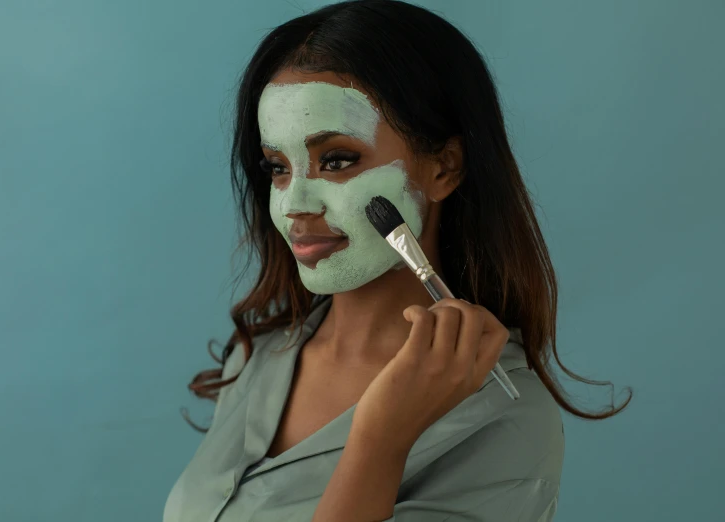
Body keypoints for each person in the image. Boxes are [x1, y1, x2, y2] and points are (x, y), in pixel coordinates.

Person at [164, 1, 631, 520]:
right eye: (277, 167)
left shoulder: (505, 417)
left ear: (443, 168)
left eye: (337, 160)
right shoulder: (258, 356)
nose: (295, 202)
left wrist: (380, 439)